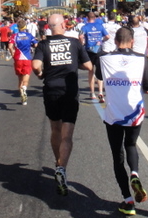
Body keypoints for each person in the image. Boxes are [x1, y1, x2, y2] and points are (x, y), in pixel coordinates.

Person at [95, 26, 148, 215]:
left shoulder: (103, 58)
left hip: (114, 114)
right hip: (134, 111)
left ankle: (128, 200)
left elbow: (97, 76)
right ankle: (135, 173)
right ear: (133, 41)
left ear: (115, 41)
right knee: (131, 144)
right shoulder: (141, 58)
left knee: (117, 155)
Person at [32, 13, 92, 196]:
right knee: (67, 135)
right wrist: (74, 65)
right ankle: (61, 168)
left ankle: (57, 161)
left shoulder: (43, 44)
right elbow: (89, 66)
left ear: (49, 27)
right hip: (69, 91)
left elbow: (35, 65)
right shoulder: (74, 43)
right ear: (64, 25)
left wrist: (41, 75)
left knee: (55, 130)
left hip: (51, 90)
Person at [79, 12, 109, 100]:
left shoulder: (84, 27)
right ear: (95, 18)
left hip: (89, 51)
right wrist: (100, 41)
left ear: (87, 18)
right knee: (99, 72)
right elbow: (108, 36)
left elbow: (80, 36)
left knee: (91, 71)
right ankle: (100, 92)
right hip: (98, 50)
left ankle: (92, 93)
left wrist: (82, 43)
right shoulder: (100, 26)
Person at [12, 19, 38, 105]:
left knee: (20, 79)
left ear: (18, 27)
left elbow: (9, 46)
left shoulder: (15, 36)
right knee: (25, 79)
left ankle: (23, 98)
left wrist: (13, 53)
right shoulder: (29, 35)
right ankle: (24, 88)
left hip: (18, 59)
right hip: (27, 58)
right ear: (25, 26)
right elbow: (35, 44)